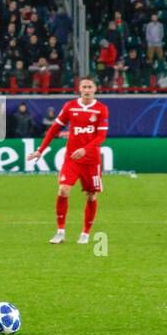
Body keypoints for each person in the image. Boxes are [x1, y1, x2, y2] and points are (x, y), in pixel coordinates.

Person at [27, 76, 108, 244]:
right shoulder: (70, 106)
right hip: (72, 158)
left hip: (91, 160)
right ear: (79, 88)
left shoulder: (101, 109)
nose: (86, 90)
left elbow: (101, 136)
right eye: (84, 87)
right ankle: (60, 232)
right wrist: (40, 150)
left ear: (95, 89)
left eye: (90, 87)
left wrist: (85, 149)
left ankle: (85, 233)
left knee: (91, 196)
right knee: (63, 190)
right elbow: (54, 129)